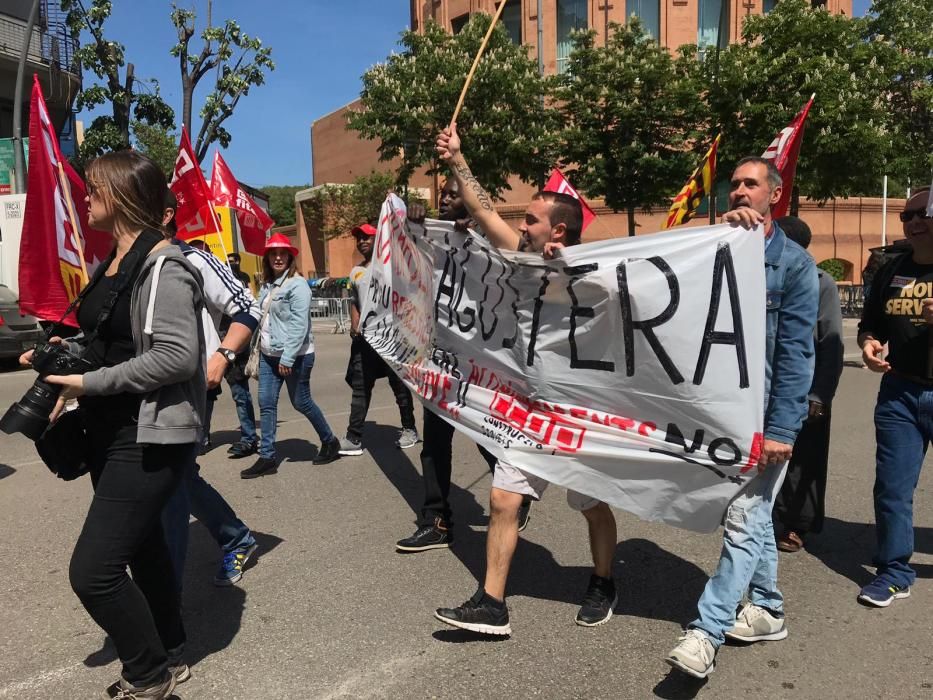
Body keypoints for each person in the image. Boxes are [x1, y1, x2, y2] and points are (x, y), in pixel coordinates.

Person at [28, 151, 205, 699]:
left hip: (146, 434)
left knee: (93, 572)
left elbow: (176, 357)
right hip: (110, 431)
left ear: (124, 193)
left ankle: (149, 674)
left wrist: (87, 384)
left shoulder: (165, 264)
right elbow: (113, 341)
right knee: (143, 547)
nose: (86, 196)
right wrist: (66, 353)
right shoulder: (113, 261)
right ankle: (170, 646)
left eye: (94, 187)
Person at [431, 124, 619, 634]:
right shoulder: (521, 257)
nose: (524, 224)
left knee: (591, 504)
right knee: (502, 498)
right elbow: (486, 210)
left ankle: (603, 581)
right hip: (530, 408)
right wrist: (457, 159)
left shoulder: (595, 272)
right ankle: (492, 603)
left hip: (578, 410)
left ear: (558, 230)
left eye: (534, 219)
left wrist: (574, 273)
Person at [666, 157, 818, 679]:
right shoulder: (712, 246)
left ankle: (705, 632)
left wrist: (781, 430)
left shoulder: (795, 267)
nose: (738, 192)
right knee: (753, 516)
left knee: (745, 517)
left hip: (763, 419)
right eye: (733, 184)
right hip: (715, 412)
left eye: (750, 184)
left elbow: (797, 356)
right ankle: (769, 608)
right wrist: (714, 239)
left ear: (774, 196)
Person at [395, 179, 531, 554]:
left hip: (479, 365)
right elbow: (402, 262)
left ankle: (516, 492)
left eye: (454, 194)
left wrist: (477, 241)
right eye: (442, 196)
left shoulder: (485, 240)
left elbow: (511, 277)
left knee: (484, 433)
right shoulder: (431, 238)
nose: (445, 200)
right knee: (434, 444)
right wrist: (410, 223)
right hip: (438, 361)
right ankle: (436, 520)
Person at [160, 193, 262, 588]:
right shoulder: (128, 265)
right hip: (143, 389)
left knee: (175, 477)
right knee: (171, 478)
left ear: (166, 215)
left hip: (190, 386)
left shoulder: (195, 259)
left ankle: (232, 540)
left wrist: (222, 355)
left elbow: (245, 305)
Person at [856, 187, 933, 607]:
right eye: (907, 216)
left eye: (923, 213)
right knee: (892, 487)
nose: (914, 221)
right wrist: (869, 345)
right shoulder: (892, 269)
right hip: (900, 394)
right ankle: (894, 571)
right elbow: (871, 324)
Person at [240, 233, 340, 477]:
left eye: (282, 253)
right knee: (266, 403)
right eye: (273, 253)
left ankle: (330, 441)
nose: (277, 258)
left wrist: (288, 358)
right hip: (267, 354)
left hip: (295, 356)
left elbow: (299, 325)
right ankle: (267, 457)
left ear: (290, 257)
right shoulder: (266, 285)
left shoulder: (297, 285)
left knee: (301, 402)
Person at [772, 216, 844, 552]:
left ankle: (796, 525)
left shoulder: (821, 281)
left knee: (805, 460)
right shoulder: (763, 277)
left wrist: (821, 394)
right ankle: (767, 514)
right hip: (771, 382)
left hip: (808, 386)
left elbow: (830, 341)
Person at [338, 222, 420, 456]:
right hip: (365, 343)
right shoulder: (356, 271)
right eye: (359, 238)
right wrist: (354, 324)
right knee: (360, 389)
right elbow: (355, 300)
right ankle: (354, 438)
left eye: (367, 237)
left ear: (378, 241)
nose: (362, 241)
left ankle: (409, 429)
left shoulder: (390, 267)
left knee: (399, 387)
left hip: (391, 339)